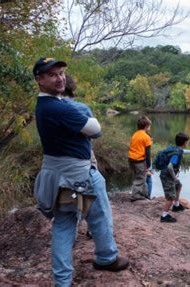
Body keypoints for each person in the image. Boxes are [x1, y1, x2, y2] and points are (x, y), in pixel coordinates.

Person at [32, 57, 129, 286]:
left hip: (58, 177)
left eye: (61, 73)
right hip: (78, 179)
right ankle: (106, 257)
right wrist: (85, 116)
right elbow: (95, 130)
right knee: (99, 216)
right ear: (40, 79)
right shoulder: (60, 107)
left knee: (64, 222)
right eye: (53, 74)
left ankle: (62, 280)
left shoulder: (44, 106)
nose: (60, 78)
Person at [63, 75, 113, 235]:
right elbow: (96, 133)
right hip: (83, 155)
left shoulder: (49, 108)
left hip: (59, 159)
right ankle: (94, 230)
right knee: (95, 192)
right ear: (73, 90)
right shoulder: (81, 108)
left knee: (70, 192)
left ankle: (73, 229)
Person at [159, 132, 190, 223]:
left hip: (168, 175)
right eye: (187, 142)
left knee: (178, 185)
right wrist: (174, 177)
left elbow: (183, 151)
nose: (188, 143)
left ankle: (176, 206)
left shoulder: (177, 149)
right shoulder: (176, 154)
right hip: (167, 176)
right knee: (170, 197)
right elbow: (170, 166)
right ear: (184, 143)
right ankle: (164, 216)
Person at [128, 116, 153, 201]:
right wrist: (148, 164)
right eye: (149, 126)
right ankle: (135, 196)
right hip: (139, 160)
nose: (149, 128)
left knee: (140, 176)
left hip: (131, 159)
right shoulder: (146, 137)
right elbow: (148, 152)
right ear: (146, 126)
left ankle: (144, 194)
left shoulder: (135, 134)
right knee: (141, 178)